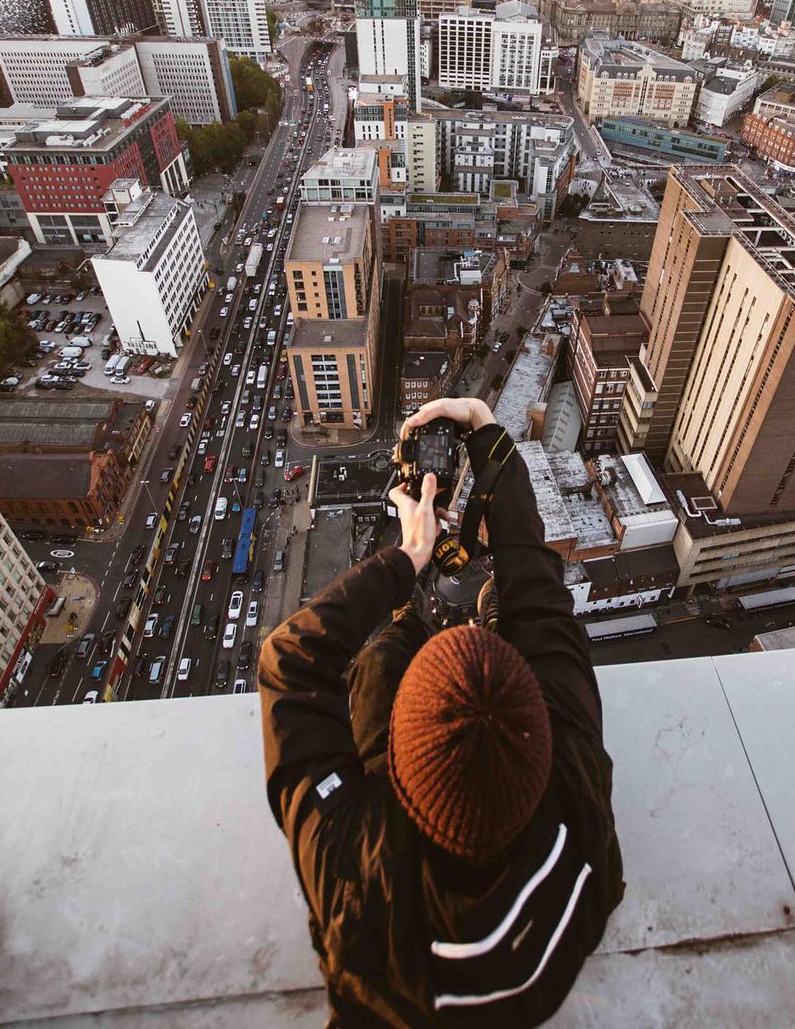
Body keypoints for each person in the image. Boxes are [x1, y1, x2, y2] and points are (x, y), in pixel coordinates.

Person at [258, 397, 624, 1028]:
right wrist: (487, 436)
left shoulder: (359, 878)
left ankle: (410, 629)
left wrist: (410, 557)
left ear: (393, 762)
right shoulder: (579, 821)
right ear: (541, 733)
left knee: (379, 664)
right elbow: (541, 605)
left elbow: (287, 658)